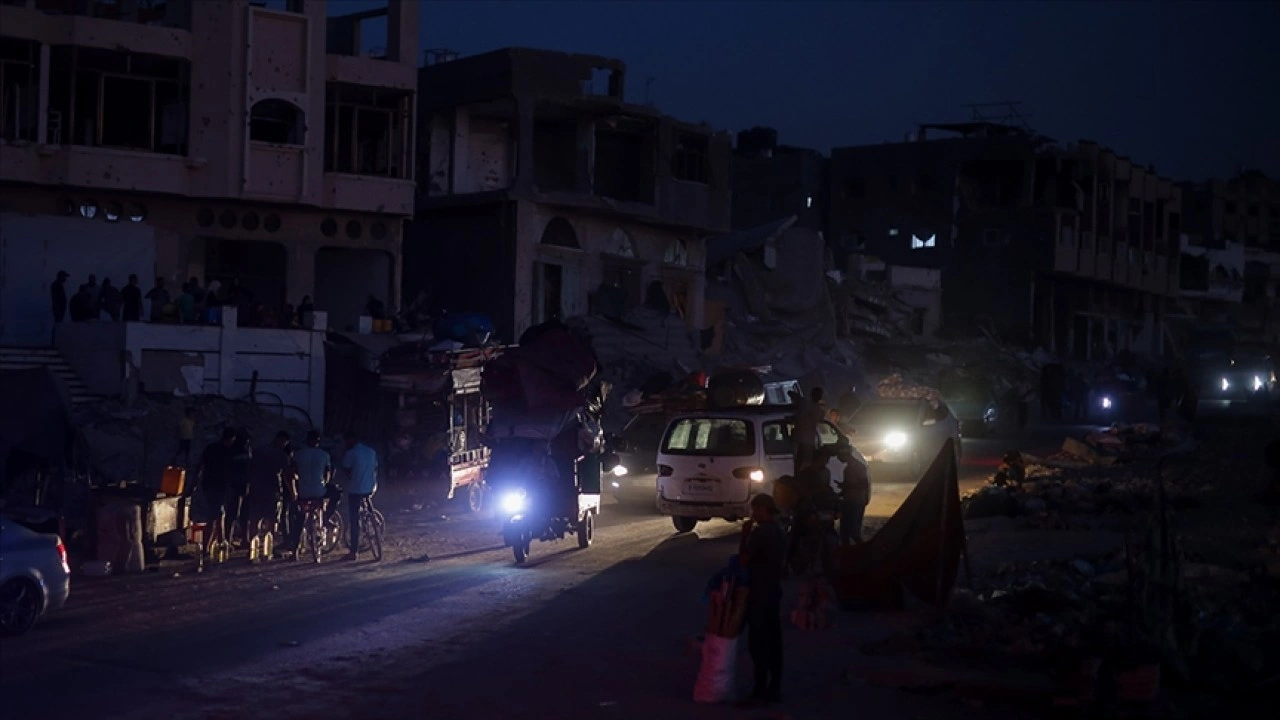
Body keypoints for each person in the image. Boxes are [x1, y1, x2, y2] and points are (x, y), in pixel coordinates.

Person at [739, 494, 788, 706]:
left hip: (759, 592)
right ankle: (774, 688)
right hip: (773, 591)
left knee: (757, 643)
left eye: (755, 510)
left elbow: (744, 559)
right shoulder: (779, 531)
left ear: (763, 510)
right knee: (774, 643)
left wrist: (745, 535)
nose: (753, 515)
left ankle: (759, 689)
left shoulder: (760, 533)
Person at [245, 430, 293, 559]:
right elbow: (287, 476)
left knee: (255, 519)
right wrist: (293, 492)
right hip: (272, 491)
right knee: (271, 520)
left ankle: (252, 548)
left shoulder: (259, 451)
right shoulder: (282, 456)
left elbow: (250, 468)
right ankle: (268, 548)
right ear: (281, 440)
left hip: (256, 489)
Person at [196, 428, 237, 556]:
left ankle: (221, 541)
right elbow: (230, 470)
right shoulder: (227, 451)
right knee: (214, 516)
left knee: (219, 514)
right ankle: (207, 548)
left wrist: (195, 482)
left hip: (207, 484)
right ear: (231, 439)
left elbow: (200, 465)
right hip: (219, 486)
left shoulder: (210, 447)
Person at [290, 430, 332, 550]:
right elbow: (327, 474)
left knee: (300, 517)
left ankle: (295, 549)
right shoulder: (324, 455)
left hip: (303, 491)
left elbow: (293, 472)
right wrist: (325, 482)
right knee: (333, 494)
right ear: (318, 442)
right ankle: (326, 520)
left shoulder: (298, 454)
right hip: (319, 491)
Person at [341, 432, 379, 561]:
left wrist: (349, 476)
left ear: (350, 440)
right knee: (367, 499)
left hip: (355, 489)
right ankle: (373, 517)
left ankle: (354, 552)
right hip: (371, 487)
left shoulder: (351, 453)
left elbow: (346, 468)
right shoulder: (371, 451)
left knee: (354, 519)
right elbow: (375, 468)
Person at [838, 448, 870, 545]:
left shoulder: (858, 467)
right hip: (850, 500)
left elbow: (863, 484)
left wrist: (846, 487)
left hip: (856, 500)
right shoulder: (850, 467)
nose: (839, 458)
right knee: (845, 531)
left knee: (853, 531)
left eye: (840, 456)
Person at [790, 387, 825, 475]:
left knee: (797, 462)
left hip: (797, 439)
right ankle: (803, 479)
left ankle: (798, 477)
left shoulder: (804, 403)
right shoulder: (820, 411)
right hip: (809, 441)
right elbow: (821, 420)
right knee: (806, 464)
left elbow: (789, 392)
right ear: (820, 397)